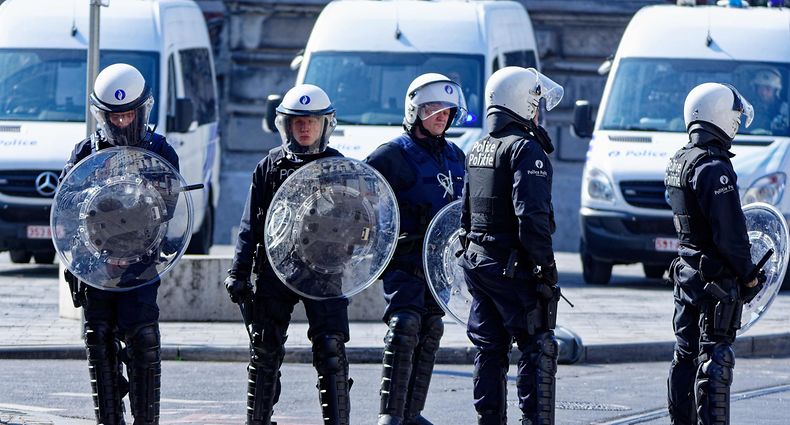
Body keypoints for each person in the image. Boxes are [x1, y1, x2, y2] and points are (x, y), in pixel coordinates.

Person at [224, 84, 352, 425]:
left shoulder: (339, 167)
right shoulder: (270, 165)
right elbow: (250, 223)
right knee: (264, 351)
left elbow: (358, 222)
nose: (305, 128)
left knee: (331, 351)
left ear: (325, 124)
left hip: (324, 273)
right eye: (298, 122)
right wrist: (238, 272)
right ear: (287, 126)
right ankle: (258, 421)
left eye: (311, 121)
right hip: (276, 271)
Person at [61, 63, 179, 425]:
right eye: (115, 116)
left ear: (142, 111)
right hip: (95, 268)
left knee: (143, 340)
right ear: (103, 116)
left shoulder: (159, 151)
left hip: (140, 267)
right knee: (98, 342)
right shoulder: (85, 153)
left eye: (129, 114)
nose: (123, 123)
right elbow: (64, 208)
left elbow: (171, 207)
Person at [458, 66, 563, 425]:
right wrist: (546, 270)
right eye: (535, 103)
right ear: (522, 102)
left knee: (489, 350)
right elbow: (531, 218)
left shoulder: (479, 148)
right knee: (538, 349)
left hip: (479, 263)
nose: (538, 111)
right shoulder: (525, 149)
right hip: (512, 268)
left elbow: (467, 213)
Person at [365, 73, 468, 425]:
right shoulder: (390, 155)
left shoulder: (456, 156)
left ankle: (412, 412)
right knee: (405, 323)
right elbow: (361, 201)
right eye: (433, 108)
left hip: (440, 263)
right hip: (404, 258)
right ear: (415, 110)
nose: (440, 115)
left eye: (446, 110)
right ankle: (391, 415)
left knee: (431, 327)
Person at [665, 82, 763, 425]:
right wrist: (749, 273)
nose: (736, 122)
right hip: (715, 283)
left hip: (687, 273)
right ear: (719, 114)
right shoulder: (714, 167)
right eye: (734, 114)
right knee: (715, 360)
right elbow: (731, 233)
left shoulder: (680, 159)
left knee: (685, 357)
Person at [749, 68, 788, 133]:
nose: (764, 92)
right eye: (761, 88)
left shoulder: (785, 109)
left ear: (775, 90)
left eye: (768, 88)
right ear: (755, 89)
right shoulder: (749, 107)